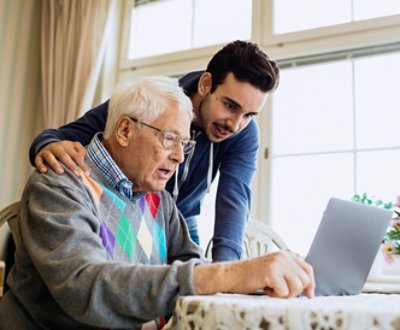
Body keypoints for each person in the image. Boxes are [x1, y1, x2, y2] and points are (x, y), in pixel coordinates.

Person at [0, 76, 314, 329]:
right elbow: (86, 287)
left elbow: (192, 266)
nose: (179, 156)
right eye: (169, 139)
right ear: (124, 130)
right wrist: (227, 275)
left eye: (185, 143)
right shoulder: (59, 182)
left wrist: (253, 279)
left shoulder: (158, 199)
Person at [29, 40, 280, 262]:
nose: (235, 124)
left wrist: (226, 270)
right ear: (206, 84)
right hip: (130, 210)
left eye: (248, 115)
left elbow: (234, 199)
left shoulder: (243, 133)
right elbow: (60, 137)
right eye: (230, 105)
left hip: (179, 221)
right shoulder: (154, 104)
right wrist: (47, 146)